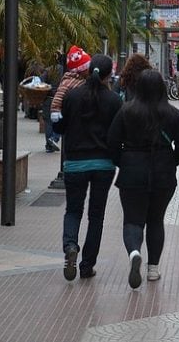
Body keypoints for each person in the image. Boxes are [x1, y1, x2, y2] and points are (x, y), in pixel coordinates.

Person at [108, 70, 179, 288]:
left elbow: (112, 141)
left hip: (132, 170)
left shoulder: (127, 111)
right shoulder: (172, 113)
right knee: (156, 220)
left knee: (133, 219)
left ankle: (134, 251)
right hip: (163, 171)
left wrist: (122, 161)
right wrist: (172, 161)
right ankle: (153, 268)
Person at [54, 54, 122, 280]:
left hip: (74, 163)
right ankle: (87, 265)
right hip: (103, 164)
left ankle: (70, 246)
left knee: (73, 210)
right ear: (108, 75)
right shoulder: (114, 100)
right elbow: (117, 134)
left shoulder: (72, 96)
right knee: (96, 215)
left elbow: (61, 127)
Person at [50, 45, 91, 123]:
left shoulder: (84, 80)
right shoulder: (68, 81)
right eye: (87, 67)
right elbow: (59, 96)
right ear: (82, 69)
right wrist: (55, 110)